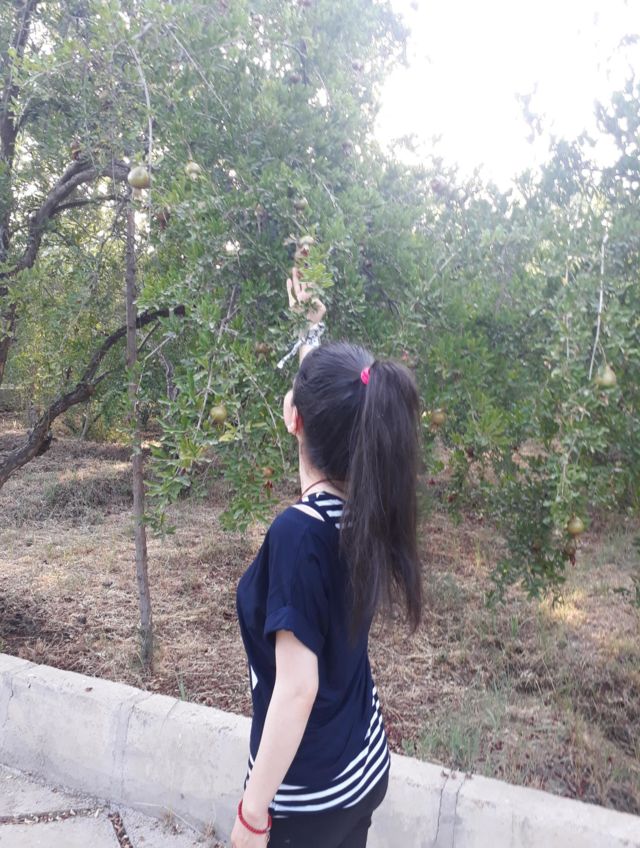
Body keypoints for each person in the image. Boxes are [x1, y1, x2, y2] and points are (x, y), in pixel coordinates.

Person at [232, 267, 423, 848]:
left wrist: (252, 814)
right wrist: (310, 330)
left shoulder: (298, 535)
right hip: (363, 764)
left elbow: (297, 690)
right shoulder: (369, 512)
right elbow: (338, 401)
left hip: (309, 800)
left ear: (293, 419)